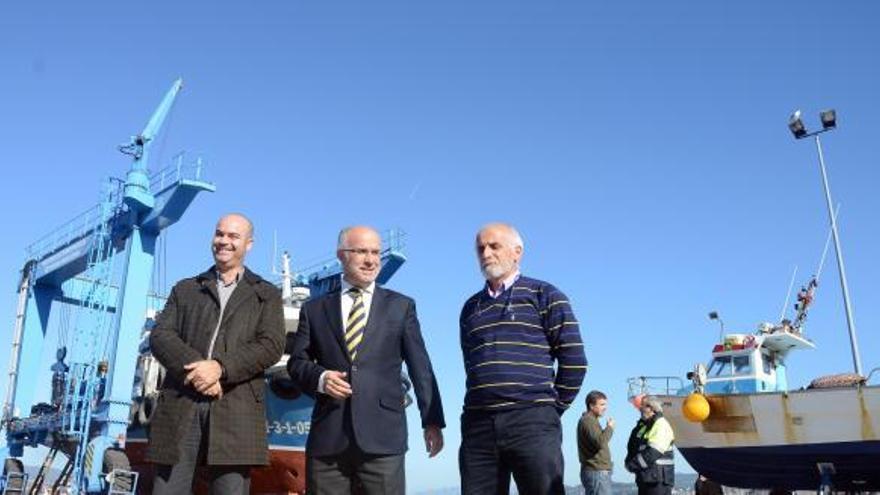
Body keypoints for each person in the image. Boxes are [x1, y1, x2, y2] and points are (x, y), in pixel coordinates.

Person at [287, 226, 445, 495]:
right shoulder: (314, 310)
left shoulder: (401, 306)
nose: (371, 260)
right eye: (361, 252)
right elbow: (296, 363)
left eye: (375, 252)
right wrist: (321, 379)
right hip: (328, 441)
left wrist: (432, 421)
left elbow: (421, 368)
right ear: (341, 255)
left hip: (384, 440)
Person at [147, 213, 286, 494]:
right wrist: (201, 369)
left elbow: (271, 345)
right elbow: (160, 336)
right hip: (181, 403)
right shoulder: (185, 289)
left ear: (249, 244)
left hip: (236, 407)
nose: (224, 241)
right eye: (219, 234)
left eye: (233, 236)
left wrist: (221, 368)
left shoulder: (266, 294)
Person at [458, 223, 587, 495]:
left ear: (517, 252)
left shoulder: (545, 295)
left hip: (532, 421)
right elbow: (471, 364)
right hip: (478, 425)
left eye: (494, 246)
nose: (486, 253)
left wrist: (551, 408)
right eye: (480, 248)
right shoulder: (471, 307)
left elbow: (574, 360)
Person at [625, 396, 675, 495]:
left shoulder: (661, 425)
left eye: (642, 406)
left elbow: (652, 453)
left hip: (658, 481)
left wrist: (632, 465)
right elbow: (633, 446)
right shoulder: (645, 426)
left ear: (651, 408)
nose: (640, 408)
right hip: (647, 479)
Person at [578, 390, 615, 495]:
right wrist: (610, 428)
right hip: (596, 472)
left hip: (596, 472)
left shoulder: (590, 420)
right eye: (602, 404)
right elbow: (600, 442)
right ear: (591, 406)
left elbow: (597, 441)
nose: (605, 407)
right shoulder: (588, 421)